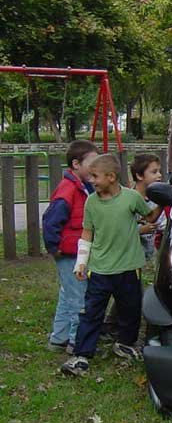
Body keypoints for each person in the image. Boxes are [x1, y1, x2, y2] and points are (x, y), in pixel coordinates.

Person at [60, 154, 164, 376]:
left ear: (111, 177)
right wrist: (81, 263)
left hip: (129, 268)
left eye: (95, 177)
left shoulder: (131, 198)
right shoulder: (91, 202)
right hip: (99, 269)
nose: (92, 181)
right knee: (91, 313)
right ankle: (81, 355)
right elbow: (87, 233)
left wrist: (165, 201)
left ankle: (125, 343)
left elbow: (151, 217)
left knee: (131, 309)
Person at [42, 140, 97, 354]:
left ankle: (59, 338)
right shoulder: (68, 189)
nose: (96, 166)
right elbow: (51, 220)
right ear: (76, 164)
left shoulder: (85, 187)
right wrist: (54, 247)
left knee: (68, 295)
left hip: (76, 251)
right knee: (79, 298)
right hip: (68, 252)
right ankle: (77, 342)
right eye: (92, 161)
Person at [130, 154, 167, 260]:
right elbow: (121, 228)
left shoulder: (156, 200)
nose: (159, 175)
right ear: (139, 176)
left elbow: (162, 224)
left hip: (151, 256)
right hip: (132, 257)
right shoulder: (128, 200)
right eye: (154, 172)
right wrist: (139, 230)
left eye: (159, 171)